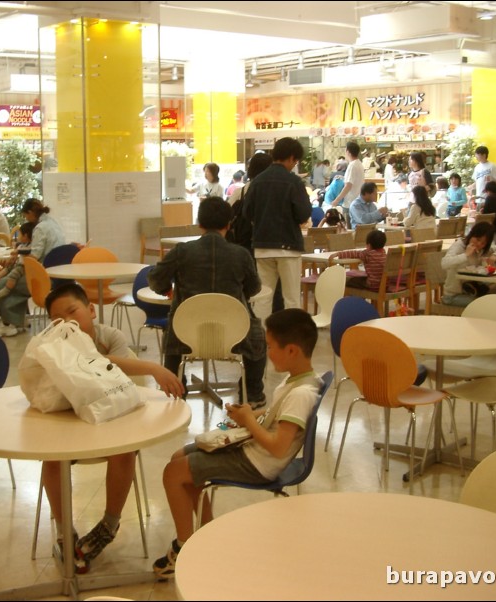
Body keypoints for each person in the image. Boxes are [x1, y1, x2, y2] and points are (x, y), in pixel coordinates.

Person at [152, 308, 322, 579]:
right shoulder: (296, 382)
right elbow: (273, 418)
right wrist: (248, 415)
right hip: (252, 449)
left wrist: (249, 423)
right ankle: (204, 537)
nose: (267, 352)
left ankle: (185, 547)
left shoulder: (301, 395)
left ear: (291, 350)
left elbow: (278, 447)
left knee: (173, 474)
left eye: (269, 346)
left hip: (258, 463)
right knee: (178, 458)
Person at [40, 282, 184, 573]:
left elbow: (114, 373)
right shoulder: (51, 347)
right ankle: (63, 529)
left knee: (125, 450)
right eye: (58, 319)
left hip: (109, 424)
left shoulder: (111, 337)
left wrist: (146, 368)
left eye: (73, 312)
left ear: (91, 310)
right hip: (68, 429)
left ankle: (110, 523)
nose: (67, 322)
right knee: (51, 455)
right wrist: (153, 367)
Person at [150, 196, 267, 407]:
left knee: (173, 329)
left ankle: (175, 391)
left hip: (186, 334)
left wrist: (168, 289)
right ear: (229, 224)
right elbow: (254, 288)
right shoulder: (241, 255)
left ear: (199, 224)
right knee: (258, 334)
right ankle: (253, 394)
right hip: (234, 333)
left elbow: (155, 279)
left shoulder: (181, 252)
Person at [242, 137, 311, 316]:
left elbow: (247, 212)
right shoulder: (294, 182)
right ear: (290, 158)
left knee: (263, 297)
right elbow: (303, 213)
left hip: (262, 246)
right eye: (295, 161)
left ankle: (262, 339)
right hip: (289, 247)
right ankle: (290, 339)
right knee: (292, 298)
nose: (294, 165)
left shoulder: (257, 181)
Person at [0, 198, 65, 336]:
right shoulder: (52, 223)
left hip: (44, 277)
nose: (26, 219)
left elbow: (34, 256)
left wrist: (17, 263)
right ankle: (18, 320)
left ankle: (8, 323)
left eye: (26, 215)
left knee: (3, 284)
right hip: (57, 273)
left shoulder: (40, 228)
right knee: (9, 283)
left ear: (31, 212)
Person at [440, 222, 496, 307]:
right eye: (478, 239)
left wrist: (495, 256)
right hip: (452, 296)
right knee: (485, 305)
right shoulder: (459, 245)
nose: (479, 244)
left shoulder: (481, 250)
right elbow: (444, 263)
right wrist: (466, 255)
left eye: (483, 243)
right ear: (472, 234)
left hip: (471, 292)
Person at [227, 152, 273, 252]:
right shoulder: (273, 191)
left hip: (243, 241)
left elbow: (226, 212)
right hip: (267, 242)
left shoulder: (241, 191)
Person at [0, 221, 34, 300]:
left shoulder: (31, 245)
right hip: (19, 263)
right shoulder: (21, 245)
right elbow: (14, 255)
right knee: (9, 267)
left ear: (25, 236)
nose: (18, 236)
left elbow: (28, 251)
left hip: (24, 266)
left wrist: (18, 251)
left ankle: (7, 289)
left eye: (19, 234)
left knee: (14, 274)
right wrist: (11, 258)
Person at [331, 141, 364, 209]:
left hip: (350, 202)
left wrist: (337, 200)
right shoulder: (359, 163)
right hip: (358, 200)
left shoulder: (352, 165)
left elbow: (348, 186)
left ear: (348, 152)